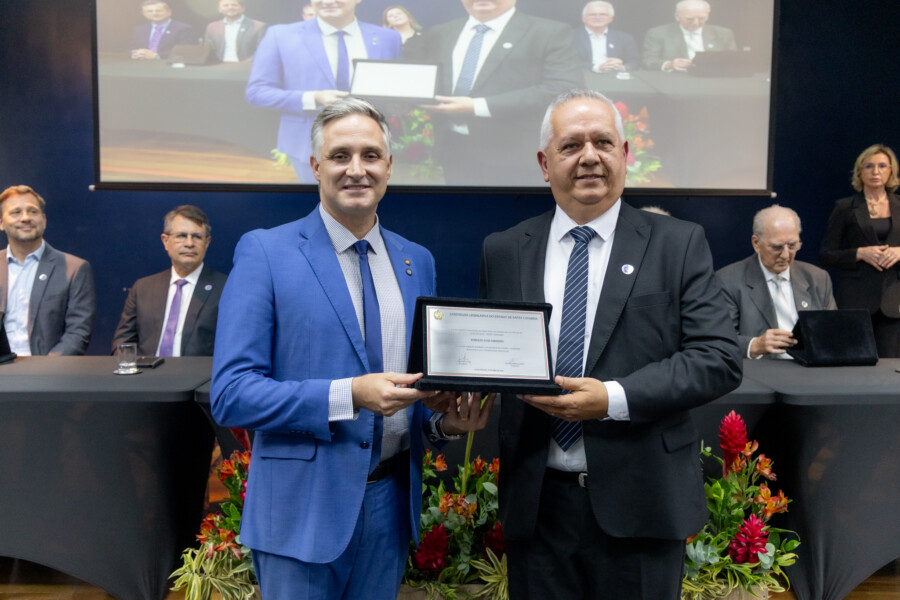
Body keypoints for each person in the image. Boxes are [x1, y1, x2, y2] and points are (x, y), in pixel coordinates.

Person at [211, 98, 492, 600]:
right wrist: (350, 395)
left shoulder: (417, 261)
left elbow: (410, 393)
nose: (357, 169)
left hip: (390, 506)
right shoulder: (266, 252)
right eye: (340, 155)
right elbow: (232, 394)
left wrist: (444, 423)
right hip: (300, 512)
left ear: (389, 166)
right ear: (315, 165)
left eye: (370, 155)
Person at [478, 89, 741, 599]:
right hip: (537, 510)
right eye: (571, 145)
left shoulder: (678, 243)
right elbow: (495, 357)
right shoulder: (504, 250)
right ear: (545, 164)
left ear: (624, 155)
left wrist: (612, 399)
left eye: (602, 142)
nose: (589, 157)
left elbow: (719, 358)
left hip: (642, 506)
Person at [404, 0, 583, 186]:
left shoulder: (548, 32)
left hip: (516, 156)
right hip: (454, 150)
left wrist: (477, 106)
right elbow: (424, 79)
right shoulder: (440, 32)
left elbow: (563, 88)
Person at [245, 0, 402, 183]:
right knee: (318, 199)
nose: (328, 1)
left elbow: (393, 86)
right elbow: (257, 92)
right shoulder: (281, 35)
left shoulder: (388, 38)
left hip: (371, 145)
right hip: (309, 144)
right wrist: (313, 98)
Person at [717, 205, 837, 359]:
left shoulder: (817, 278)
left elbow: (833, 332)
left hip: (810, 368)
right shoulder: (728, 280)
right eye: (777, 247)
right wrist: (754, 345)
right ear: (756, 243)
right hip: (761, 369)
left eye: (792, 245)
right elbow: (719, 339)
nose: (786, 255)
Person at [112, 205, 226, 358]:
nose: (189, 243)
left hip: (200, 372)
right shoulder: (143, 288)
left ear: (207, 242)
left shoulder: (225, 288)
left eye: (197, 236)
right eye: (181, 236)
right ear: (165, 241)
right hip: (146, 372)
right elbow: (123, 342)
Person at [820, 144, 900, 358]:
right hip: (856, 299)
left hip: (894, 301)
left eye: (882, 166)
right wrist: (859, 254)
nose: (876, 172)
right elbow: (826, 254)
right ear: (860, 171)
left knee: (890, 367)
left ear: (891, 171)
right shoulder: (845, 207)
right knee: (853, 363)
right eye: (869, 166)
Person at [0, 185, 96, 356]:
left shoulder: (74, 269)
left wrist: (45, 368)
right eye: (16, 212)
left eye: (33, 211)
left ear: (44, 221)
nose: (25, 218)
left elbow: (78, 333)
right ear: (1, 223)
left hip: (48, 369)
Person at [642, 0, 736, 72]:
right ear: (677, 17)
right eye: (690, 19)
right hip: (676, 80)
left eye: (701, 18)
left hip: (713, 78)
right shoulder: (658, 33)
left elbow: (733, 60)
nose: (696, 23)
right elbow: (648, 61)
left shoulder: (723, 33)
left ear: (708, 15)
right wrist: (669, 64)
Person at [575, 1, 639, 73]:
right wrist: (597, 67)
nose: (597, 17)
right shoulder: (571, 37)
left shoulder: (625, 38)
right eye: (592, 14)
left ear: (611, 18)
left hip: (614, 76)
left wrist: (621, 67)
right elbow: (567, 62)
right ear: (583, 18)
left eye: (603, 14)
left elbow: (634, 62)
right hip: (582, 76)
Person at [130, 0, 196, 60]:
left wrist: (156, 56)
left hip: (167, 66)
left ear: (169, 12)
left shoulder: (183, 29)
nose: (155, 13)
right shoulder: (139, 30)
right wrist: (135, 54)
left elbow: (186, 51)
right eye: (150, 11)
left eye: (159, 11)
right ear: (143, 14)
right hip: (141, 65)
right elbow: (130, 49)